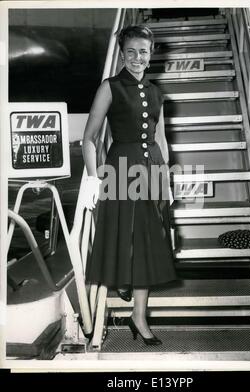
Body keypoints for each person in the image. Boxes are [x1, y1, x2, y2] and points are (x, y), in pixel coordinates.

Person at [82, 25, 177, 345]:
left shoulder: (156, 92)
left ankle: (139, 315)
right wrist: (94, 178)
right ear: (123, 54)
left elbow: (161, 139)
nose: (138, 58)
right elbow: (89, 138)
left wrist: (167, 180)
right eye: (132, 51)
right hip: (120, 170)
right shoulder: (110, 87)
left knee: (148, 241)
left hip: (152, 171)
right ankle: (124, 279)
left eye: (144, 52)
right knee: (128, 237)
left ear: (151, 56)